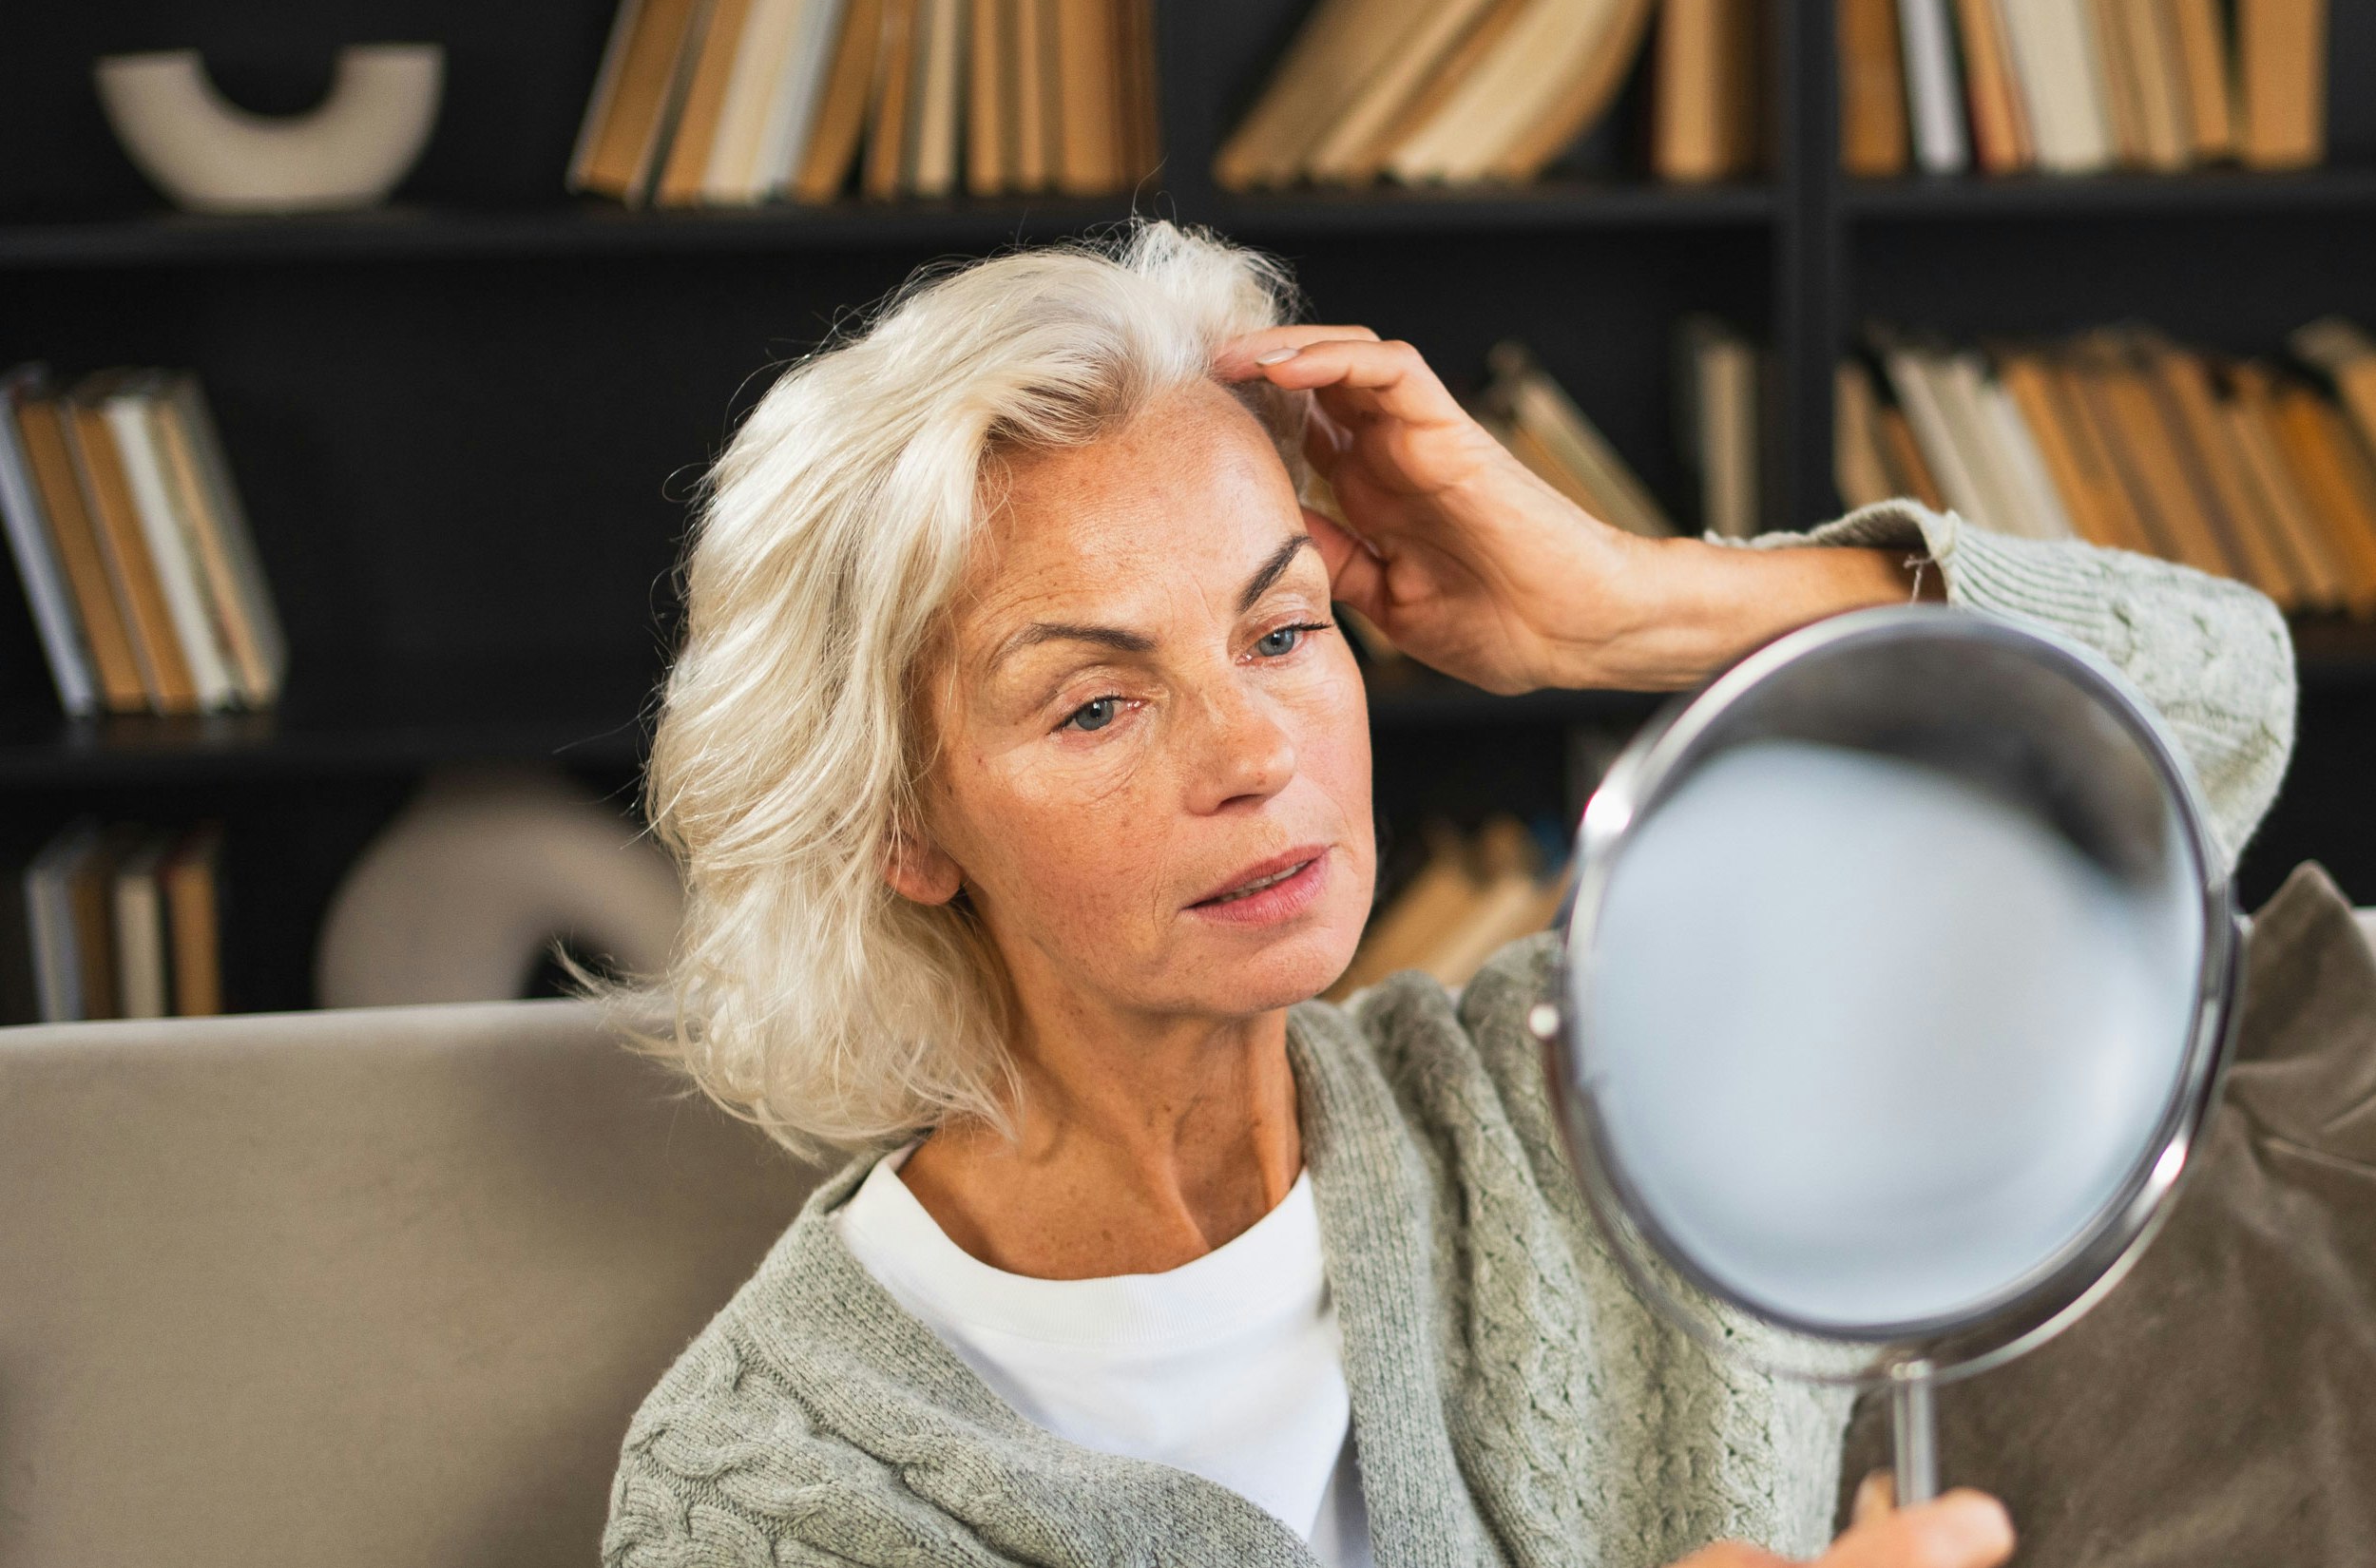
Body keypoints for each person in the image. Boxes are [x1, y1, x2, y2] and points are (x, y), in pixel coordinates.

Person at [589, 220, 2295, 1568]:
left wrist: (1630, 606)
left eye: (1280, 629)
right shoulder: (767, 1493)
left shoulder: (1606, 1087)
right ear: (900, 818)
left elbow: (2209, 722)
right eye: (1097, 701)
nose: (1254, 750)